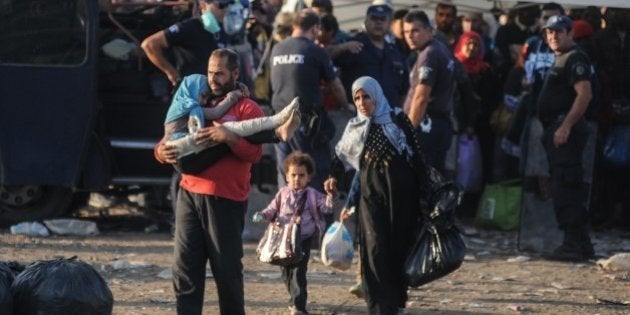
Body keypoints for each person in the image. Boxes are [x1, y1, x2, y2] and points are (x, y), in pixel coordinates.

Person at [154, 48, 261, 315]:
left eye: (220, 74)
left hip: (225, 200)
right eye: (210, 72)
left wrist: (230, 138)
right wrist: (161, 152)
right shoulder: (198, 98)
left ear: (235, 74)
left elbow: (255, 153)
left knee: (227, 273)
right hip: (189, 195)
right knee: (185, 269)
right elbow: (170, 136)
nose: (213, 79)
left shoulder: (247, 107)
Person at [325, 76, 431, 314]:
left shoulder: (397, 118)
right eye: (357, 98)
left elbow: (417, 156)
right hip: (371, 195)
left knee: (399, 247)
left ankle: (397, 302)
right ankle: (378, 306)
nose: (362, 103)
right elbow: (340, 156)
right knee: (374, 249)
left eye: (366, 97)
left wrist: (427, 193)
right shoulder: (356, 126)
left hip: (403, 195)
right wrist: (333, 176)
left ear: (377, 96)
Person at [536, 15, 595, 261]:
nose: (553, 36)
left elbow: (585, 95)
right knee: (564, 185)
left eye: (559, 32)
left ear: (570, 34)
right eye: (550, 32)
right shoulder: (561, 58)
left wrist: (566, 126)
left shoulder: (575, 58)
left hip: (565, 131)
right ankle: (581, 244)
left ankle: (573, 245)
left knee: (566, 186)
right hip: (557, 129)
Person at [270, 9, 348, 191]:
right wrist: (346, 106)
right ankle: (313, 216)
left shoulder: (277, 48)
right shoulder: (314, 50)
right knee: (311, 170)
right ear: (315, 29)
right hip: (304, 123)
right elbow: (335, 85)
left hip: (278, 121)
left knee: (286, 171)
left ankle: (287, 214)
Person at [252, 151, 333, 315]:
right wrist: (263, 215)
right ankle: (293, 299)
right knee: (286, 271)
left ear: (308, 177)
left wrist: (330, 195)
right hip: (282, 240)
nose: (297, 179)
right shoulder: (282, 193)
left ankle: (299, 306)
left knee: (298, 271)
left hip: (302, 239)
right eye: (293, 175)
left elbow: (327, 208)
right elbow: (272, 209)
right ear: (287, 176)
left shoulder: (312, 194)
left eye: (301, 175)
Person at [402, 10, 457, 174]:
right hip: (437, 124)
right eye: (406, 32)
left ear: (429, 30)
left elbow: (421, 98)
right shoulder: (439, 48)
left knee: (423, 181)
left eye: (415, 30)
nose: (410, 36)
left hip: (428, 127)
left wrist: (408, 131)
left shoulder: (429, 55)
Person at [334, 4, 409, 108]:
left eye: (382, 19)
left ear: (389, 24)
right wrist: (342, 47)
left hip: (388, 116)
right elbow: (324, 59)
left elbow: (404, 89)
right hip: (359, 116)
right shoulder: (353, 45)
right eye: (374, 18)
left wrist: (399, 112)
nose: (378, 22)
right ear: (366, 21)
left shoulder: (396, 51)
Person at [141, 0, 231, 87]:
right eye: (221, 5)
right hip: (191, 92)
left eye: (228, 4)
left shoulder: (224, 29)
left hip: (213, 89)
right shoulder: (189, 27)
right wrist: (171, 73)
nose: (225, 9)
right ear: (204, 5)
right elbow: (149, 45)